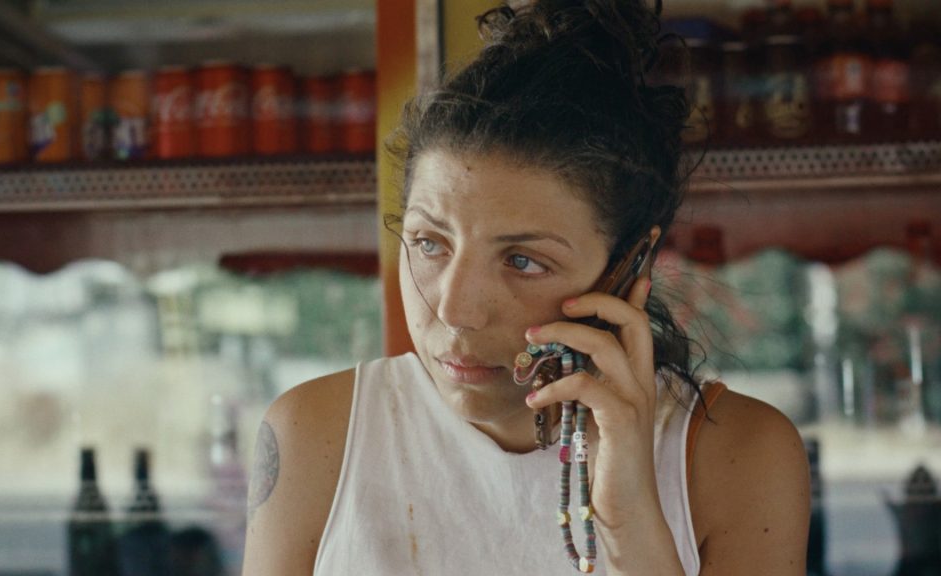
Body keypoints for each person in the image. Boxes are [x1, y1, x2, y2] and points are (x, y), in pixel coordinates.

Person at [242, 0, 811, 574]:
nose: (455, 309)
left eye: (522, 260)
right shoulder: (316, 437)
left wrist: (630, 525)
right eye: (430, 243)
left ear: (629, 264)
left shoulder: (737, 457)